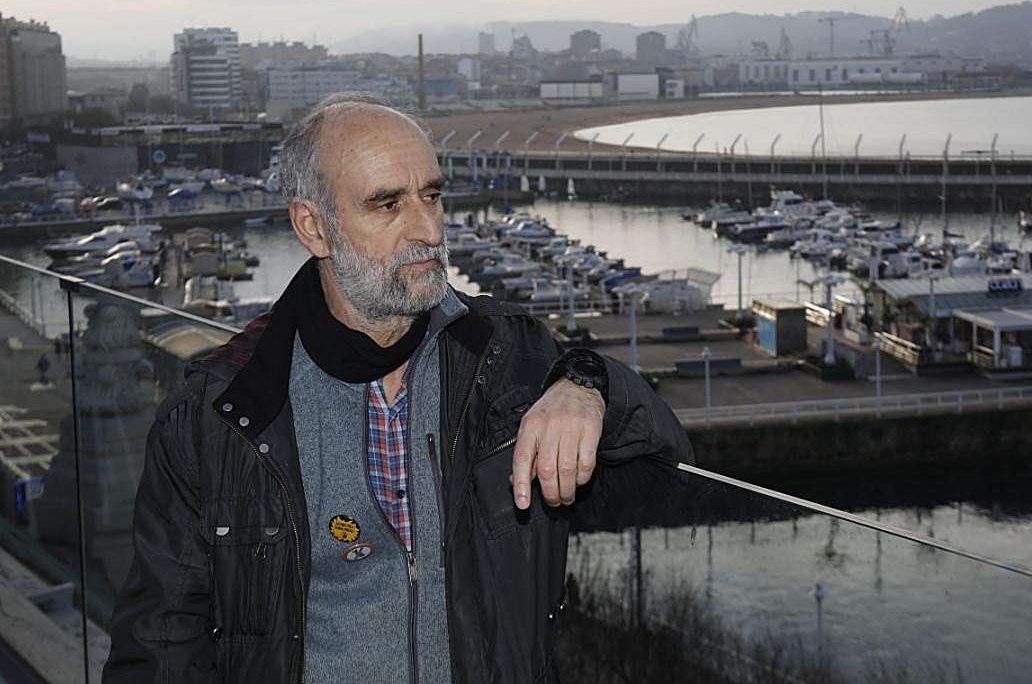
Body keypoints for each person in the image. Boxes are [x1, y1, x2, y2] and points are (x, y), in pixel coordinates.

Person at [103, 93, 692, 683]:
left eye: (431, 196)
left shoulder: (513, 359)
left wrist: (590, 386)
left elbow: (667, 485)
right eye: (387, 205)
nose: (428, 229)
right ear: (313, 227)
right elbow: (160, 649)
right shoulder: (216, 418)